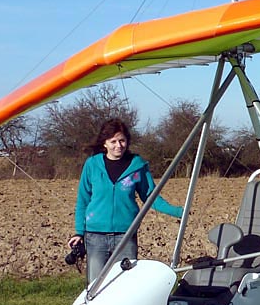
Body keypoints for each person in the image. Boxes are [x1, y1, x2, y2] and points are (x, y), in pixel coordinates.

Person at [67, 118, 183, 284]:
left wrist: (179, 211)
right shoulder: (92, 165)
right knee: (95, 285)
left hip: (126, 235)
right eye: (113, 141)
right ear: (105, 143)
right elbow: (83, 200)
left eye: (122, 140)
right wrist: (79, 232)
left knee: (125, 283)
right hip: (95, 236)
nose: (118, 145)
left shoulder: (137, 166)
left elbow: (151, 197)